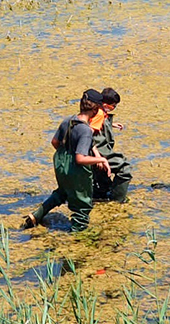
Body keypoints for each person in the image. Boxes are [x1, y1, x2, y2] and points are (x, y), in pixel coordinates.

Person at [25, 89, 111, 232]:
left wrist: (66, 156)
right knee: (83, 206)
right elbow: (80, 158)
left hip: (60, 163)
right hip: (76, 170)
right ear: (95, 109)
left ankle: (37, 215)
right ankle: (77, 236)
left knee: (63, 191)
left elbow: (54, 142)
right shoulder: (86, 130)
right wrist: (101, 159)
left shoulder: (68, 121)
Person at [91, 87, 133, 202]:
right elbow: (89, 134)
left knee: (102, 177)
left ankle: (100, 194)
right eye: (113, 106)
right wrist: (97, 157)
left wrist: (111, 124)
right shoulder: (98, 114)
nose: (114, 108)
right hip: (99, 150)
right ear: (105, 103)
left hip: (102, 150)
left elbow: (100, 124)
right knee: (124, 168)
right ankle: (118, 200)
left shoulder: (99, 112)